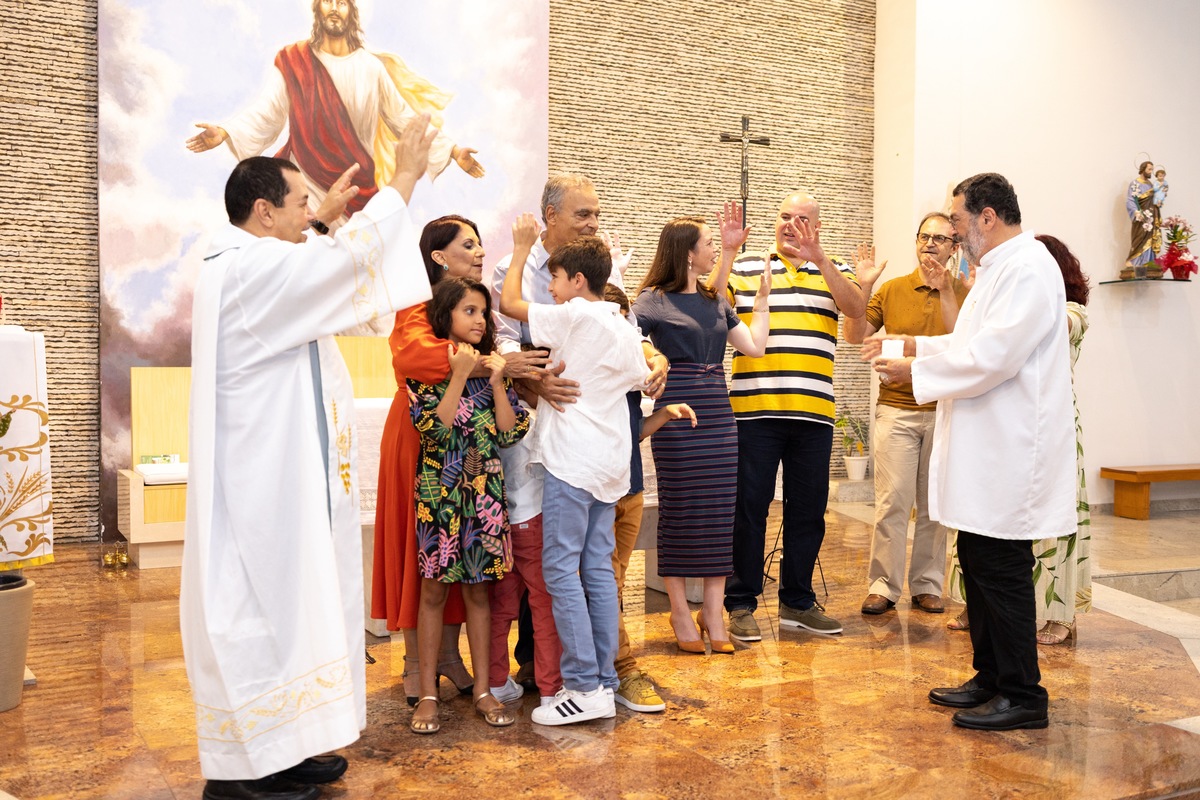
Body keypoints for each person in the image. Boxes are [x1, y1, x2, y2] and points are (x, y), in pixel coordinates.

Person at [182, 117, 435, 800]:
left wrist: (321, 221)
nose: (308, 218)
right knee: (265, 608)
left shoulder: (242, 260)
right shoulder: (247, 267)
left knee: (285, 609)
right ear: (263, 211)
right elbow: (335, 269)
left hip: (276, 471)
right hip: (264, 482)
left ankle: (285, 746)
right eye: (299, 206)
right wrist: (403, 179)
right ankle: (248, 767)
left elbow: (318, 271)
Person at [869, 172, 1075, 731]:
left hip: (1011, 450)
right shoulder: (995, 271)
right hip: (987, 446)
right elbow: (969, 342)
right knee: (980, 561)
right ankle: (989, 676)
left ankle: (1024, 694)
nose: (953, 234)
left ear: (988, 216)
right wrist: (914, 345)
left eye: (957, 222)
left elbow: (996, 356)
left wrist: (916, 370)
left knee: (1001, 568)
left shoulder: (1030, 268)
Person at [488, 174, 669, 703]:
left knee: (565, 567)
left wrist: (656, 360)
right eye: (582, 214)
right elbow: (505, 339)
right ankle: (571, 674)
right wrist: (532, 377)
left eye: (595, 214)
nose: (593, 223)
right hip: (567, 444)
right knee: (569, 564)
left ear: (573, 282)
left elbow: (632, 337)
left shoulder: (583, 296)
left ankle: (585, 680)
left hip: (575, 455)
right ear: (550, 215)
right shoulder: (531, 279)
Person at [370, 215, 545, 705]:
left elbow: (509, 420)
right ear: (438, 256)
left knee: (468, 568)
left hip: (478, 451)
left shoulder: (479, 317)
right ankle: (415, 664)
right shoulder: (417, 302)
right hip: (422, 438)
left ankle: (448, 656)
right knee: (421, 556)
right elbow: (412, 358)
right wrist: (482, 363)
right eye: (468, 245)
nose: (480, 251)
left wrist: (498, 366)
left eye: (480, 243)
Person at [708, 195, 865, 642]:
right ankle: (740, 603)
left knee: (809, 512)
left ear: (817, 227)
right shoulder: (745, 267)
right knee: (749, 510)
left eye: (802, 220)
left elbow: (855, 311)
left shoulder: (834, 269)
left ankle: (797, 601)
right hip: (753, 411)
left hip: (813, 414)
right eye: (784, 217)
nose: (791, 225)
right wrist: (729, 252)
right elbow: (710, 308)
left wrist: (821, 260)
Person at [186, 0, 484, 217]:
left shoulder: (370, 67)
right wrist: (226, 131)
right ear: (317, 9)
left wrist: (453, 151)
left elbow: (404, 119)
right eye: (327, 1)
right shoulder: (294, 60)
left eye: (341, 2)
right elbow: (268, 111)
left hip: (357, 186)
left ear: (351, 12)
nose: (334, 8)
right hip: (304, 183)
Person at [631, 214, 770, 653]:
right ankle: (677, 609)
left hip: (718, 413)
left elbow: (755, 347)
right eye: (709, 244)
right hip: (676, 412)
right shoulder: (652, 299)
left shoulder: (715, 299)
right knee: (681, 508)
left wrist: (763, 302)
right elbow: (629, 338)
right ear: (688, 253)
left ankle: (712, 611)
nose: (714, 250)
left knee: (718, 512)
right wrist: (653, 356)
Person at [408, 277, 530, 734]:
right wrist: (459, 373)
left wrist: (499, 381)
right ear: (447, 316)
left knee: (480, 591)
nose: (480, 320)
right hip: (438, 496)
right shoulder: (427, 371)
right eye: (469, 311)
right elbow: (434, 432)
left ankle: (483, 689)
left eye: (483, 312)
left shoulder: (494, 370)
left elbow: (508, 432)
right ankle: (427, 693)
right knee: (433, 592)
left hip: (484, 497)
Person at [843, 213, 969, 617]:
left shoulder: (967, 291)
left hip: (945, 410)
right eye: (923, 237)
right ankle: (883, 584)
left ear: (954, 247)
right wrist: (865, 285)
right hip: (896, 408)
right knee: (892, 502)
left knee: (934, 505)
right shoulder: (894, 289)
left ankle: (928, 584)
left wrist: (947, 289)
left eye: (940, 238)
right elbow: (854, 335)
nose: (930, 244)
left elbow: (959, 344)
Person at [1031, 234, 1092, 645]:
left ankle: (1062, 614)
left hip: (1059, 425)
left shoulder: (1072, 311)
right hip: (1020, 422)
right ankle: (976, 603)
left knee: (1059, 519)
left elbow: (1060, 325)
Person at [1124, 160, 1162, 278]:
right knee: (1139, 239)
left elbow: (1154, 199)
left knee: (1149, 240)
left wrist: (1158, 202)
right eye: (1149, 169)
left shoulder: (1151, 185)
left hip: (1151, 217)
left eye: (1152, 169)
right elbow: (1130, 200)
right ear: (1143, 169)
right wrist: (1136, 212)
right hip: (1141, 219)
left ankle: (1148, 263)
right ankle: (1135, 261)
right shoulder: (1135, 184)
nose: (1151, 172)